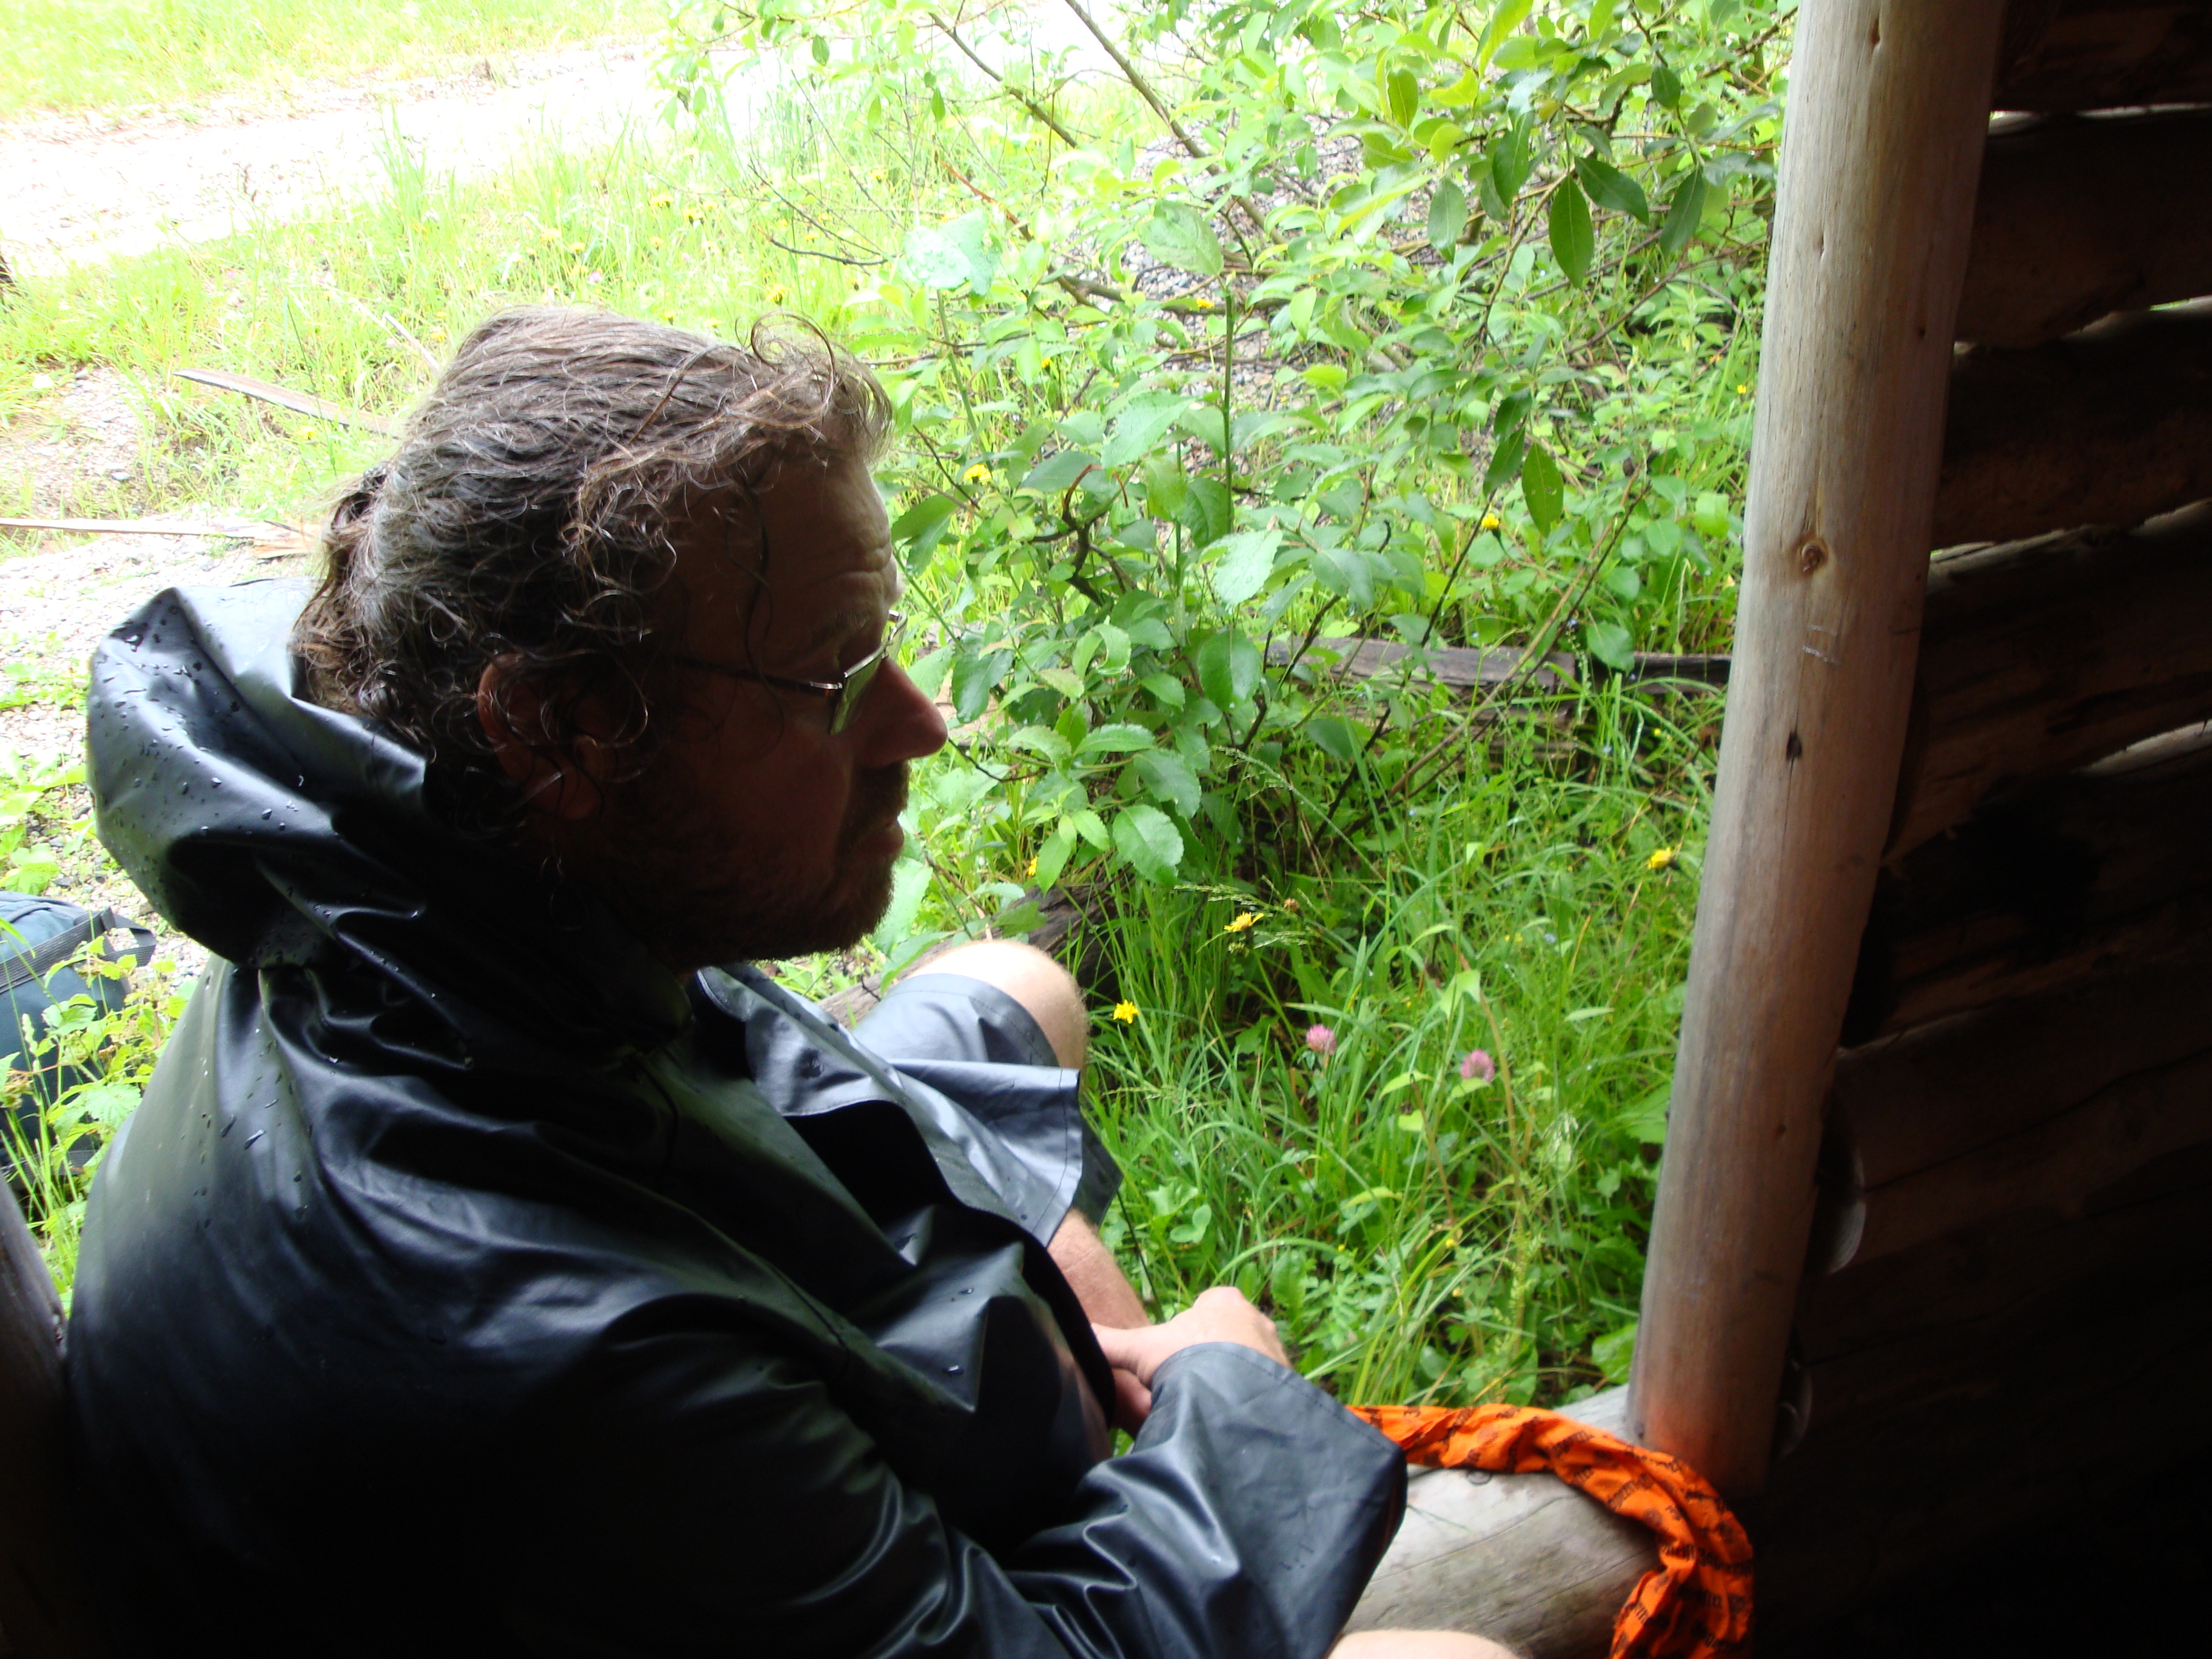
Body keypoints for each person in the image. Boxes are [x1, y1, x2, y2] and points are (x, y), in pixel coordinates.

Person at [67, 308, 1510, 1658]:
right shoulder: (573, 1363)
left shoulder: (397, 846)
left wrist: (1031, 1319)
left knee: (1016, 984)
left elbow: (700, 1074)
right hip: (601, 1483)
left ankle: (1072, 1422)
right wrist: (1233, 1407)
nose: (922, 725)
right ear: (563, 732)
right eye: (836, 678)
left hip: (618, 1482)